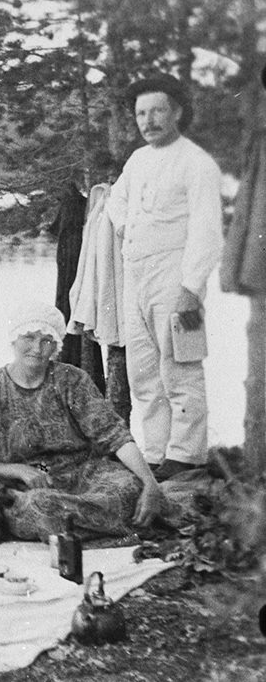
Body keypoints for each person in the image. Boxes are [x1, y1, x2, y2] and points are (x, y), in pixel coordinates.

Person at [0, 301, 187, 541]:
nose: (37, 348)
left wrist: (150, 484)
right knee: (40, 507)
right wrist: (17, 470)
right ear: (14, 339)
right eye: (29, 337)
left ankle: (78, 528)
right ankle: (118, 525)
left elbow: (115, 435)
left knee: (130, 487)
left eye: (46, 340)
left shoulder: (72, 380)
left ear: (55, 346)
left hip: (84, 475)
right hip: (28, 488)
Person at [106, 74, 224, 482]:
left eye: (157, 110)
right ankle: (156, 452)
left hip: (177, 275)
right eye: (141, 112)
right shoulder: (138, 160)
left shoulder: (197, 163)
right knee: (143, 368)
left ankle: (188, 455)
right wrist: (128, 228)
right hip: (136, 272)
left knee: (181, 365)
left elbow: (209, 231)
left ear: (176, 111)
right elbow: (115, 202)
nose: (148, 120)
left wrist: (191, 288)